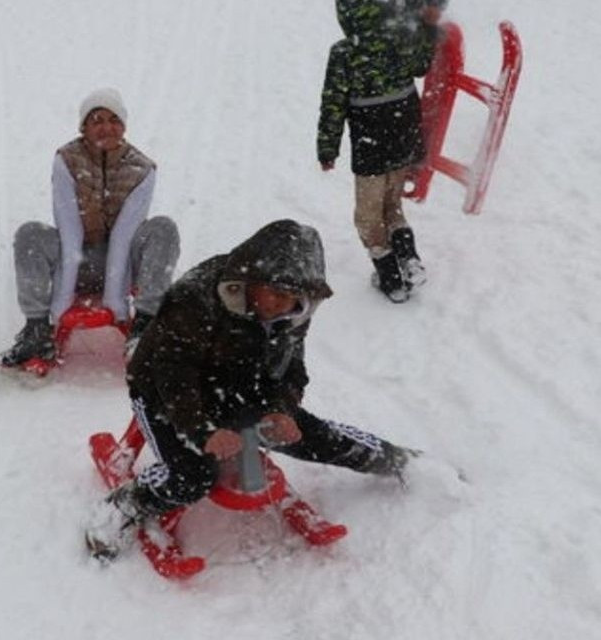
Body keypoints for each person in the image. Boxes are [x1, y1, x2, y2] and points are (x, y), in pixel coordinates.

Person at [84, 220, 415, 561]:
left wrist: (281, 410)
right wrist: (203, 431)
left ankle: (396, 459)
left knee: (312, 435)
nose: (283, 305)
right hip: (161, 390)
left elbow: (290, 370)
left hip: (239, 386)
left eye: (293, 298)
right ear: (252, 279)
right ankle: (127, 503)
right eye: (276, 293)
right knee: (192, 477)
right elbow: (173, 375)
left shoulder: (293, 310)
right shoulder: (196, 296)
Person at [0, 88, 180, 367]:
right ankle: (36, 330)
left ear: (124, 126)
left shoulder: (142, 168)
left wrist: (115, 301)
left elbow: (125, 234)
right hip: (78, 258)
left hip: (126, 264)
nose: (107, 127)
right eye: (97, 120)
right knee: (30, 233)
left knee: (163, 228)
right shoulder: (67, 159)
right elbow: (69, 228)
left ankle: (145, 326)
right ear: (84, 127)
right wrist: (62, 302)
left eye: (114, 120)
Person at [317, 0, 437, 304]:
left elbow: (333, 103)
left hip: (371, 143)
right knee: (392, 204)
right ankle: (409, 259)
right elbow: (422, 65)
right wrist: (424, 31)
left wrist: (327, 148)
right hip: (404, 134)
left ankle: (390, 278)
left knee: (368, 216)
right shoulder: (399, 35)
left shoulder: (344, 52)